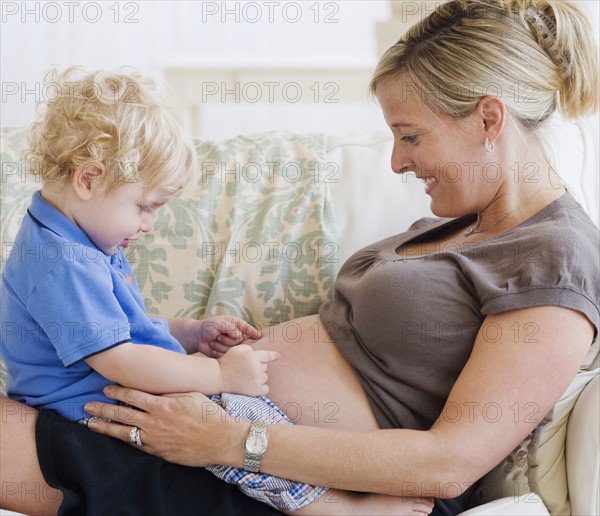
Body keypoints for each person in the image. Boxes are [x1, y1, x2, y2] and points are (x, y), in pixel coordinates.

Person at [1, 0, 598, 514]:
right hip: (213, 439)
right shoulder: (463, 221)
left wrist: (231, 440)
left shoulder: (556, 258)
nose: (396, 161)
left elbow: (449, 463)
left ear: (489, 119)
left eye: (411, 135)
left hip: (276, 480)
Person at [0, 67, 433, 515]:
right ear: (89, 179)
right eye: (144, 207)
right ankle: (338, 510)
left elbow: (119, 329)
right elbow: (119, 359)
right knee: (242, 433)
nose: (148, 225)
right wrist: (219, 377)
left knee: (256, 425)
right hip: (100, 410)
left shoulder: (79, 236)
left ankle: (344, 494)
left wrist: (190, 333)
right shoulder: (60, 262)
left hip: (119, 389)